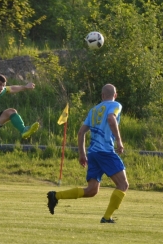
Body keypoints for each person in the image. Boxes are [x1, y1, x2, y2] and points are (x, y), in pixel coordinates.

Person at [47, 84, 129, 223]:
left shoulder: (94, 110)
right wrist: (119, 141)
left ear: (102, 96)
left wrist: (82, 154)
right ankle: (107, 217)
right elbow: (111, 119)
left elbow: (81, 133)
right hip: (105, 152)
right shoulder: (116, 105)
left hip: (93, 154)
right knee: (123, 185)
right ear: (115, 95)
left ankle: (56, 196)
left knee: (92, 190)